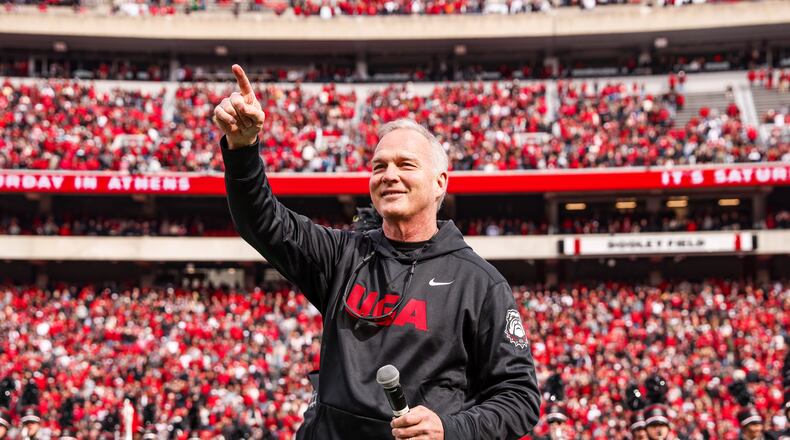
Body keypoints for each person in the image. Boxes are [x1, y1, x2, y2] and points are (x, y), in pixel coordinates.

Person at [213, 64, 541, 439]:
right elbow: (263, 222)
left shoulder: (480, 284)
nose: (389, 175)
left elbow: (520, 397)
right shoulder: (343, 255)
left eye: (405, 165)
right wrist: (242, 150)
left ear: (440, 183)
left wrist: (451, 429)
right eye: (378, 166)